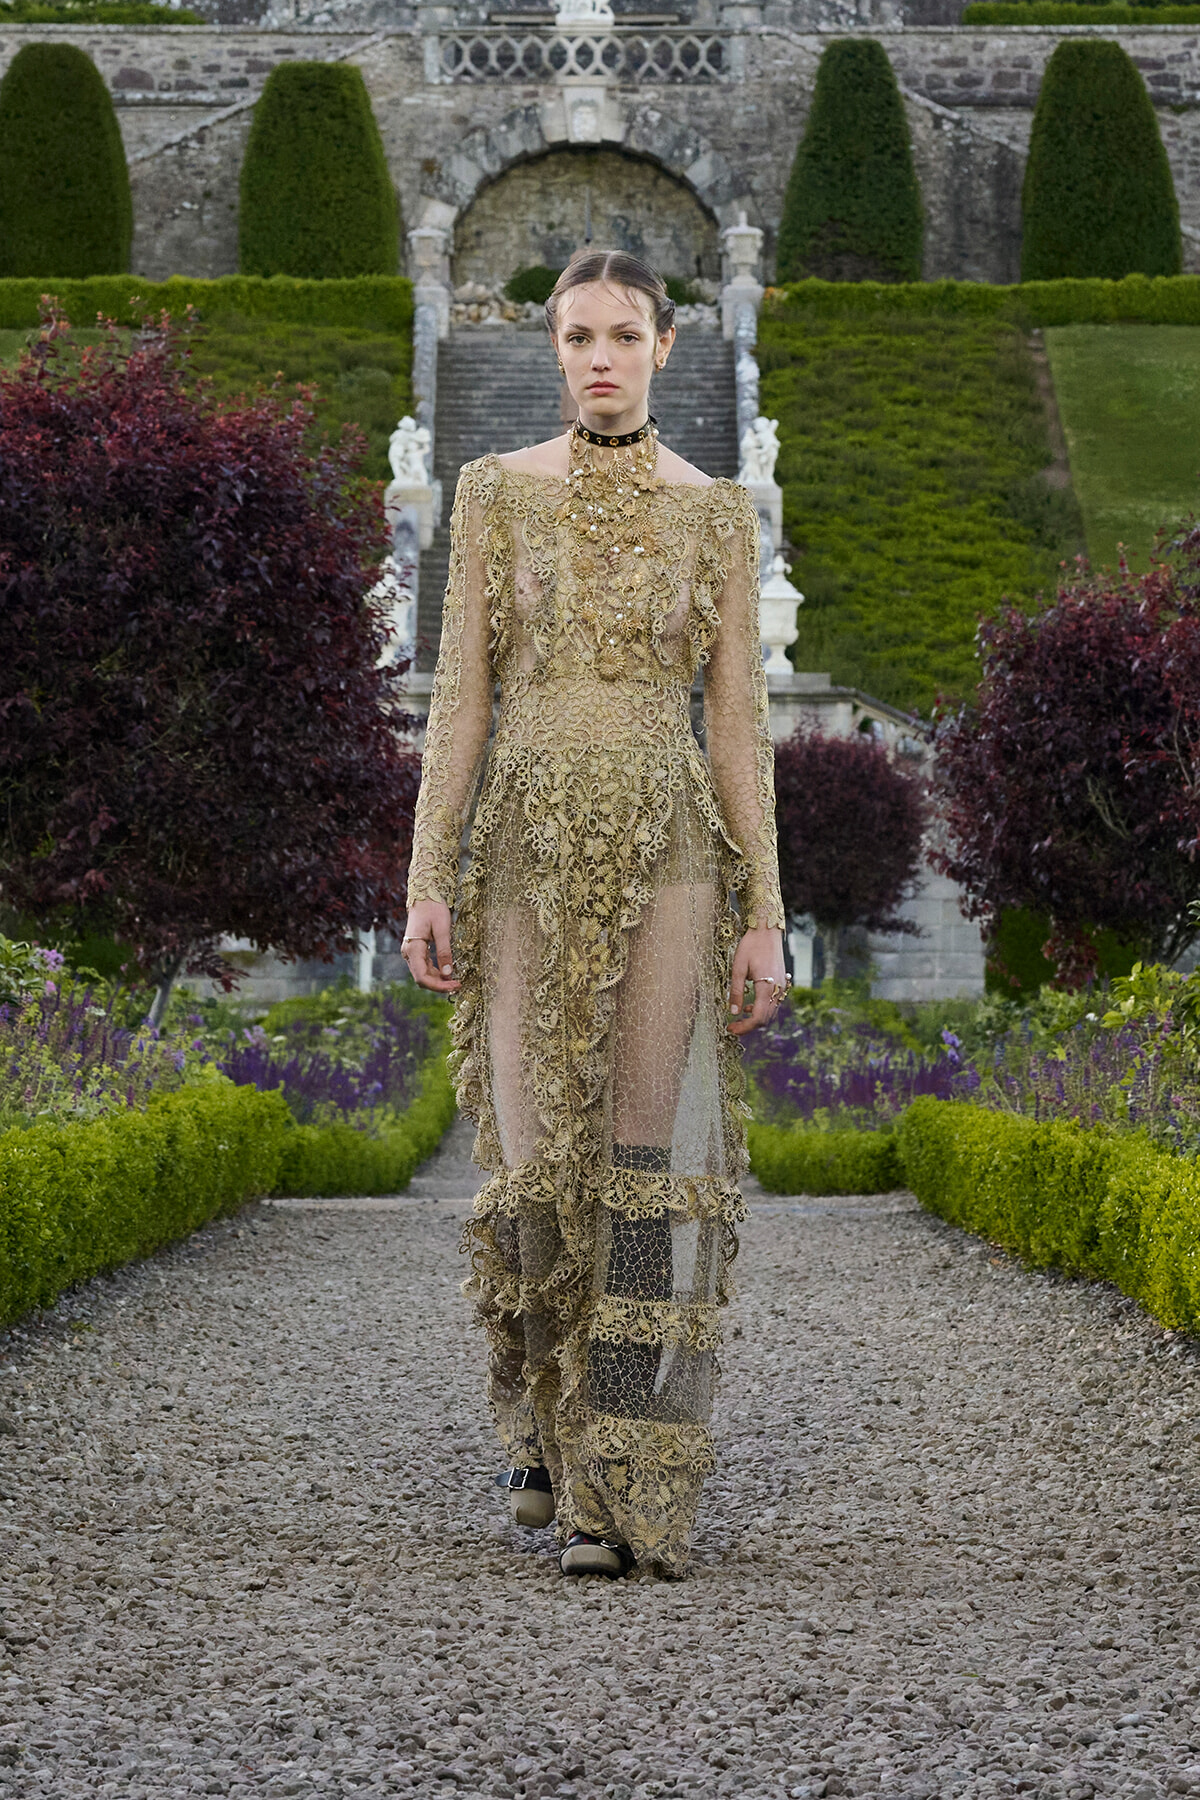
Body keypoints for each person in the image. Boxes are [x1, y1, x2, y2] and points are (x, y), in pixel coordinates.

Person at [402, 248, 787, 1580]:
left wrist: (766, 912)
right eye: (579, 336)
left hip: (671, 850)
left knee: (644, 1174)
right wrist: (426, 878)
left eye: (626, 334)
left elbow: (737, 724)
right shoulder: (495, 495)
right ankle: (544, 1433)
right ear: (554, 350)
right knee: (532, 1168)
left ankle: (620, 1477)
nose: (603, 356)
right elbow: (460, 703)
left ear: (669, 347)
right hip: (518, 855)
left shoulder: (716, 512)